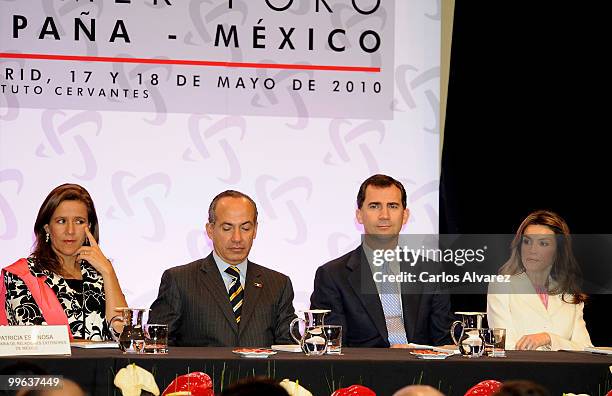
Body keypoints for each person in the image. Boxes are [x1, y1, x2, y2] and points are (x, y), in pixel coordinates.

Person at [310, 174, 452, 347]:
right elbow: (333, 347)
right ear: (359, 215)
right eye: (374, 206)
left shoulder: (430, 271)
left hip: (421, 370)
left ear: (405, 215)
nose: (384, 215)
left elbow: (444, 339)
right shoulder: (332, 275)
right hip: (361, 372)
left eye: (392, 206)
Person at [148, 190, 297, 346]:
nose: (237, 238)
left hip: (262, 371)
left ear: (255, 230)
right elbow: (158, 345)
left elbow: (288, 348)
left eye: (245, 228)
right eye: (227, 228)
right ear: (210, 230)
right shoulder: (179, 280)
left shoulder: (278, 284)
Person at [0, 184, 127, 340]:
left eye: (79, 221)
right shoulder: (23, 275)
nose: (70, 230)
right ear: (47, 228)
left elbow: (124, 337)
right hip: (50, 365)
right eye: (61, 221)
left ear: (90, 226)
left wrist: (109, 272)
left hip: (104, 365)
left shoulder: (99, 275)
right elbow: (34, 341)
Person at [487, 210, 593, 351]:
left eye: (543, 243)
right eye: (527, 241)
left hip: (566, 373)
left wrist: (548, 338)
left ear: (558, 250)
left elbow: (585, 350)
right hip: (518, 373)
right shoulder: (501, 286)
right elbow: (505, 348)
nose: (532, 250)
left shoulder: (570, 294)